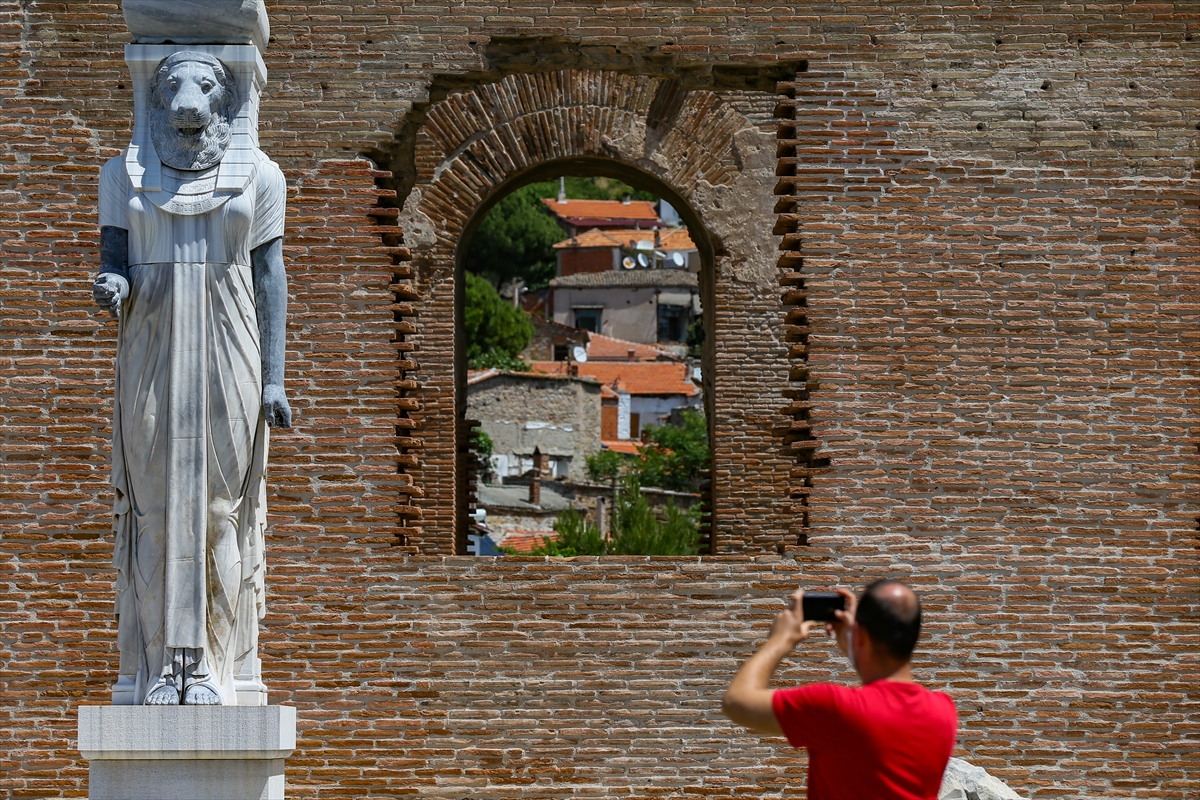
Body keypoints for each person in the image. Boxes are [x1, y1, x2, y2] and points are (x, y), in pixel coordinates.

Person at [722, 580, 956, 800]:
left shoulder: (835, 707)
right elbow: (882, 701)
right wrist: (857, 647)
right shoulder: (944, 712)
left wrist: (780, 640)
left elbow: (736, 701)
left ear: (862, 636)